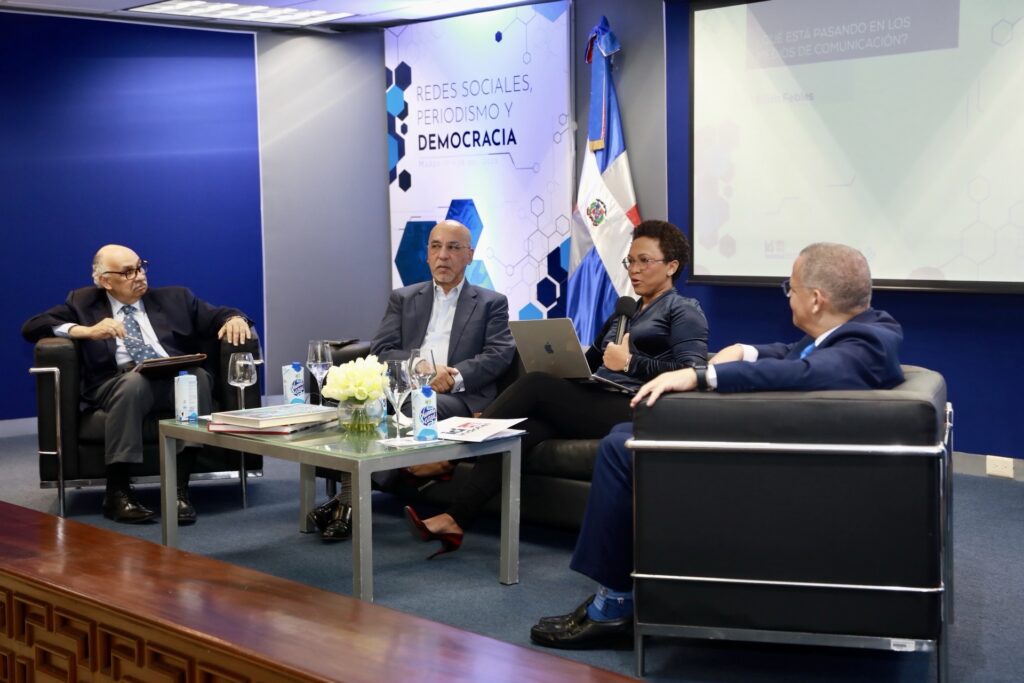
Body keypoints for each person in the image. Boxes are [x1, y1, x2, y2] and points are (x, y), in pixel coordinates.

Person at [529, 242, 905, 650]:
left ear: (816, 300)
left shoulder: (867, 345)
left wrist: (701, 376)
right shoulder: (860, 330)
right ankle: (616, 593)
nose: (788, 297)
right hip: (781, 453)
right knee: (623, 434)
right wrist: (744, 350)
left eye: (791, 288)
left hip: (780, 472)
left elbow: (805, 371)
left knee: (623, 447)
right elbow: (792, 353)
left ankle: (613, 605)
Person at [404, 220, 709, 558]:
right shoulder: (624, 313)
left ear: (671, 266)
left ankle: (451, 457)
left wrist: (631, 363)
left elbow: (693, 371)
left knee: (535, 385)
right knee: (525, 429)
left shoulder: (684, 310)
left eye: (644, 261)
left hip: (638, 407)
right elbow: (592, 364)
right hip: (601, 396)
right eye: (630, 261)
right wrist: (561, 360)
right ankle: (455, 519)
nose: (634, 270)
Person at [306, 219, 516, 542]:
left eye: (453, 247)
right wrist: (421, 367)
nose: (443, 255)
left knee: (419, 405)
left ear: (469, 255)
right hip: (407, 384)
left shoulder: (491, 302)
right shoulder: (403, 298)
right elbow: (382, 349)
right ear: (427, 254)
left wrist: (453, 377)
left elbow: (499, 354)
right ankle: (350, 498)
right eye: (436, 247)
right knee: (360, 405)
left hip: (458, 397)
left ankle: (345, 504)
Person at [21, 244, 252, 525]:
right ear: (105, 280)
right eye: (128, 272)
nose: (140, 276)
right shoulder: (82, 303)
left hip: (171, 375)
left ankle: (179, 490)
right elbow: (33, 326)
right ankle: (117, 493)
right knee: (134, 383)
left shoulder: (176, 298)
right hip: (117, 381)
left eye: (140, 267)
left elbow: (218, 313)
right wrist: (86, 331)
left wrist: (235, 319)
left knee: (194, 378)